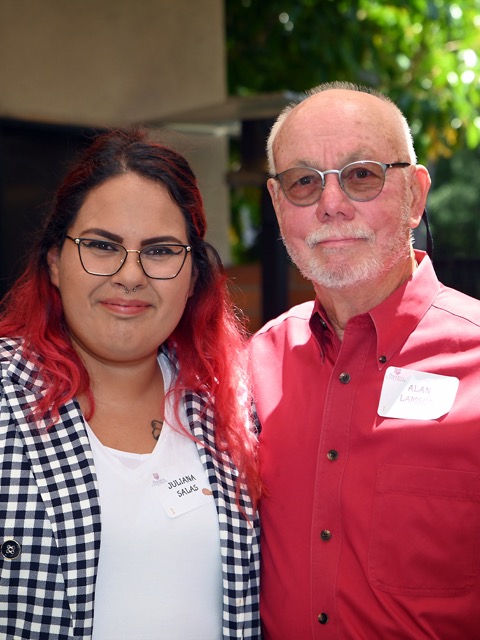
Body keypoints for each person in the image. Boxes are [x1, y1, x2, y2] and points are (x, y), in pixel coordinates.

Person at [0, 128, 261, 640]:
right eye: (102, 245)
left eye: (160, 251)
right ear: (54, 261)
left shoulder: (231, 408)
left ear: (194, 276)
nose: (130, 275)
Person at [249, 81, 480, 639]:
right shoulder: (253, 366)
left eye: (361, 175)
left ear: (416, 196)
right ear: (280, 207)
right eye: (303, 182)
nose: (331, 204)